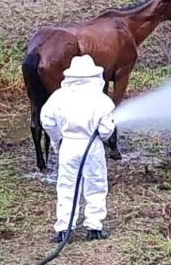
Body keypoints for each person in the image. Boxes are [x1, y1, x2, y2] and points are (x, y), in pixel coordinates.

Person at [40, 55, 116, 243]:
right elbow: (106, 130)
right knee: (96, 184)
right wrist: (101, 135)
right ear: (94, 76)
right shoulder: (102, 99)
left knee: (66, 186)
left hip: (69, 145)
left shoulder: (58, 97)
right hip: (92, 146)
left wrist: (58, 140)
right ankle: (94, 227)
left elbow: (47, 121)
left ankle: (64, 229)